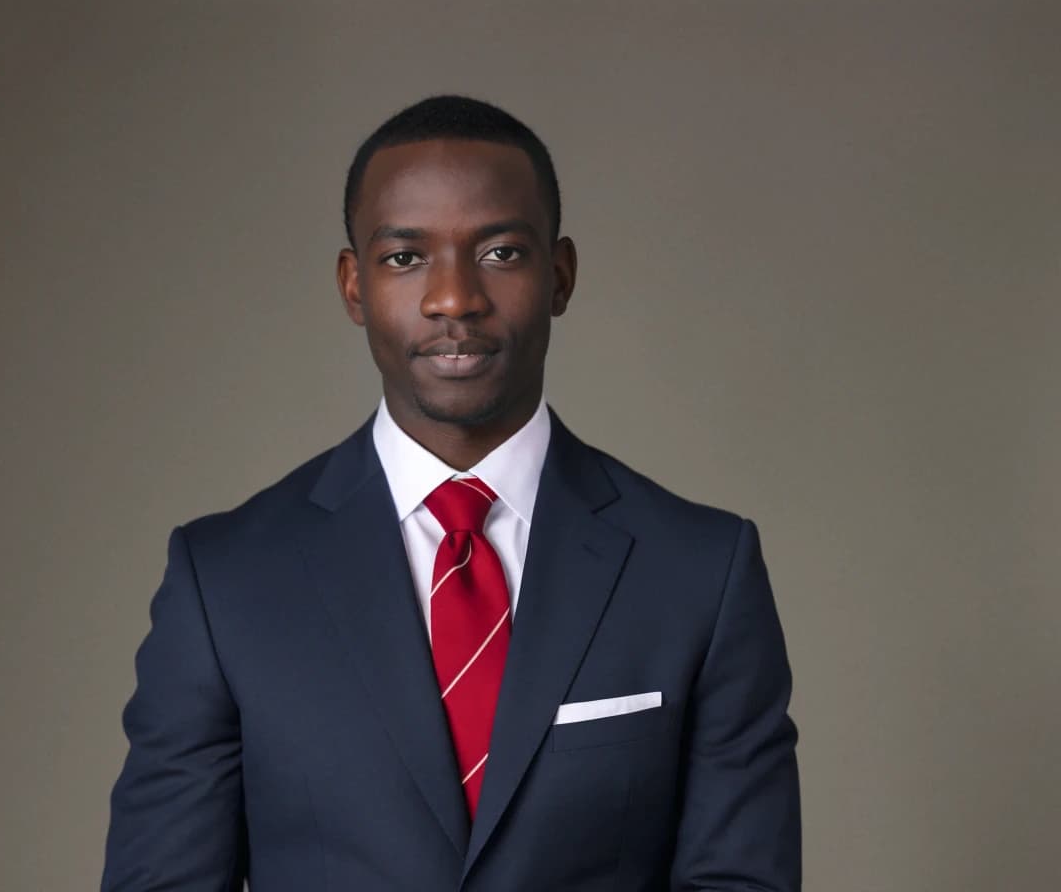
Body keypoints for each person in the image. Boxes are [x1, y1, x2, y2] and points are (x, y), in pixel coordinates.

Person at [101, 94, 801, 891]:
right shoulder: (222, 581)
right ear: (353, 284)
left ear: (561, 274)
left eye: (501, 253)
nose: (455, 299)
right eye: (405, 257)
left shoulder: (701, 571)